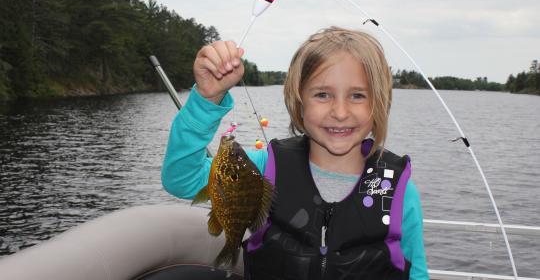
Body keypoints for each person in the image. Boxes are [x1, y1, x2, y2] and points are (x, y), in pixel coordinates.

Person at [162, 26, 429, 280]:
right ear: (298, 100)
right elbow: (181, 178)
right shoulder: (263, 169)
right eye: (322, 95)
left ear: (379, 103)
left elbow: (414, 272)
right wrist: (207, 100)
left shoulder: (400, 192)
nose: (340, 112)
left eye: (358, 96)